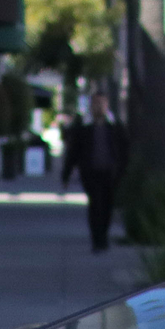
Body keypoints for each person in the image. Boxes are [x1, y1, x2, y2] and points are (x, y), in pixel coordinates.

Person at [58, 103, 127, 252]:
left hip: (109, 173)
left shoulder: (114, 128)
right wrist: (66, 175)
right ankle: (97, 239)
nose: (99, 108)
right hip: (91, 173)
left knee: (107, 206)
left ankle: (103, 236)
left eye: (101, 104)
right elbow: (74, 152)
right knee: (95, 204)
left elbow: (123, 149)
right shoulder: (85, 129)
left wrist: (122, 171)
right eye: (96, 104)